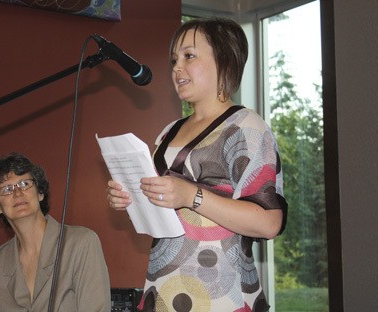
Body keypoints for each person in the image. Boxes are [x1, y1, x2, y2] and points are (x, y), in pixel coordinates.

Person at [106, 18, 287, 312]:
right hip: (162, 290)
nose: (177, 67)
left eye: (189, 56)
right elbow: (165, 213)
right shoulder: (168, 132)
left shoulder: (246, 128)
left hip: (221, 295)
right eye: (174, 59)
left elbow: (269, 223)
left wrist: (191, 195)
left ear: (225, 60)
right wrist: (131, 197)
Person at [0, 152, 110, 312]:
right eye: (6, 189)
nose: (17, 193)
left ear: (40, 193)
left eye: (24, 184)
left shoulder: (81, 243)